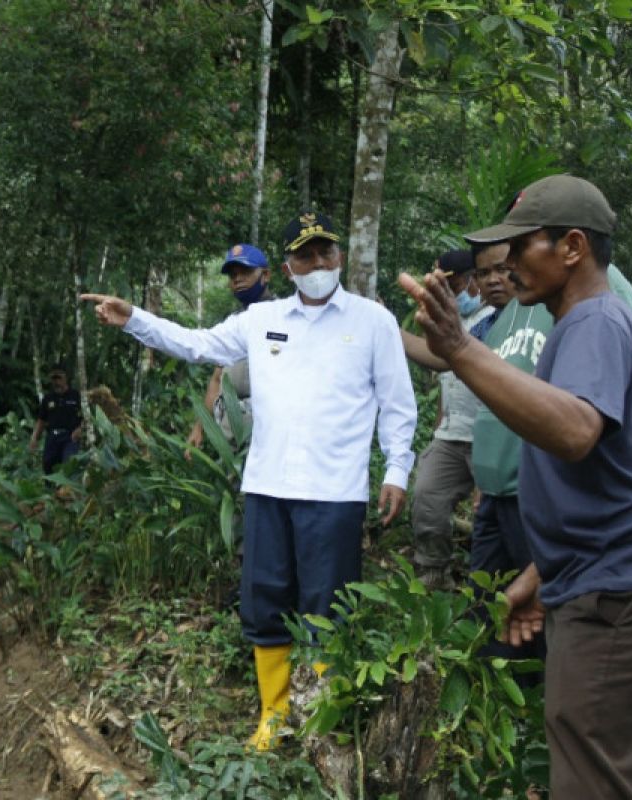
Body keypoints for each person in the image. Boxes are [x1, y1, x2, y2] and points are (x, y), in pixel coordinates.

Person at [82, 210, 417, 750]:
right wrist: (134, 318)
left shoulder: (372, 320)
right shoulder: (262, 321)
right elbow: (197, 344)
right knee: (265, 601)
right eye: (305, 256)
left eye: (325, 252)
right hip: (267, 487)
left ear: (340, 257)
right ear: (287, 266)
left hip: (334, 493)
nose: (318, 264)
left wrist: (397, 469)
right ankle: (275, 714)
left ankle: (320, 718)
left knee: (328, 606)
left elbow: (398, 403)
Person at [400, 174, 632, 796]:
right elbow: (610, 482)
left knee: (594, 774)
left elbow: (576, 430)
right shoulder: (577, 325)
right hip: (589, 581)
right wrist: (537, 580)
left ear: (573, 248)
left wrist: (459, 348)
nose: (505, 262)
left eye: (522, 244)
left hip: (612, 599)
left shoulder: (596, 322)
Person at [399, 249, 494, 590]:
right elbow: (447, 380)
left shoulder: (495, 319)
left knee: (490, 513)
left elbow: (448, 361)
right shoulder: (451, 321)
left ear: (473, 279)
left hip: (487, 435)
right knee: (427, 495)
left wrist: (392, 329)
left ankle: (487, 586)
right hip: (452, 434)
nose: (452, 292)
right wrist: (441, 423)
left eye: (453, 284)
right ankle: (433, 570)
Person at [186, 242, 275, 455]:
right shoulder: (232, 325)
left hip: (270, 434)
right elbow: (217, 379)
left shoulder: (284, 317)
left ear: (266, 275)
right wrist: (200, 427)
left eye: (245, 271)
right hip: (231, 433)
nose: (237, 279)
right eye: (233, 275)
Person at [29, 367, 83, 474]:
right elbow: (41, 421)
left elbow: (86, 417)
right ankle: (51, 489)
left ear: (65, 378)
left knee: (69, 463)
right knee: (48, 464)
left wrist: (80, 429)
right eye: (54, 379)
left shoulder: (76, 396)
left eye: (59, 378)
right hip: (53, 437)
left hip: (70, 437)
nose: (56, 382)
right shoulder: (48, 398)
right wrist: (34, 438)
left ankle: (67, 489)